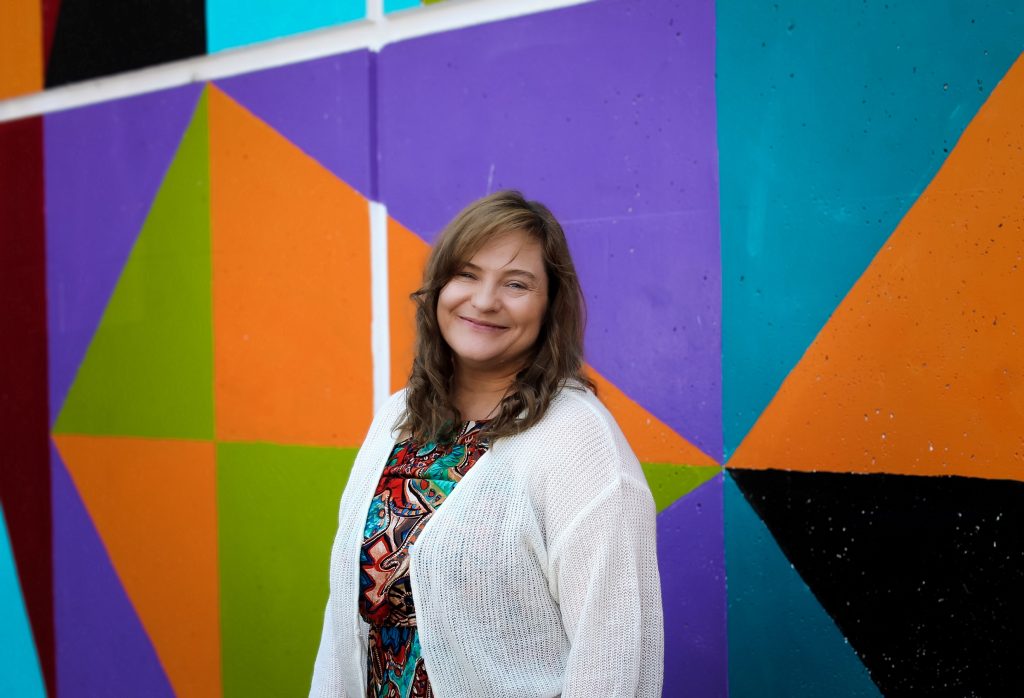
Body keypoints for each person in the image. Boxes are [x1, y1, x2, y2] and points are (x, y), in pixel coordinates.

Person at [310, 190, 663, 697]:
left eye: (516, 284)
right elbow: (343, 617)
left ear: (549, 307)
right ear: (438, 288)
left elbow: (616, 653)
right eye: (467, 274)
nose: (484, 300)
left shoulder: (577, 440)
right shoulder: (397, 416)